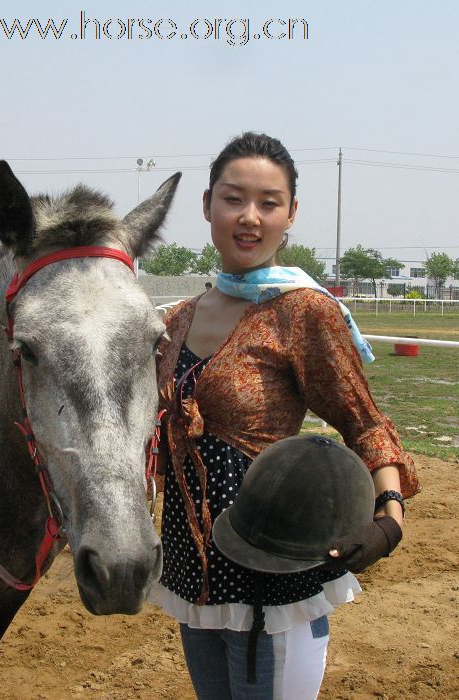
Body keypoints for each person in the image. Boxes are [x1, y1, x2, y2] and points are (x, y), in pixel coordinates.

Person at [150, 132, 420, 699]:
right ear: (207, 205)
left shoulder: (302, 312)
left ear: (290, 214)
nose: (250, 217)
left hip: (276, 574)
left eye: (269, 202)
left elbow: (364, 421)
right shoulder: (175, 319)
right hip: (191, 573)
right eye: (233, 198)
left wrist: (389, 518)